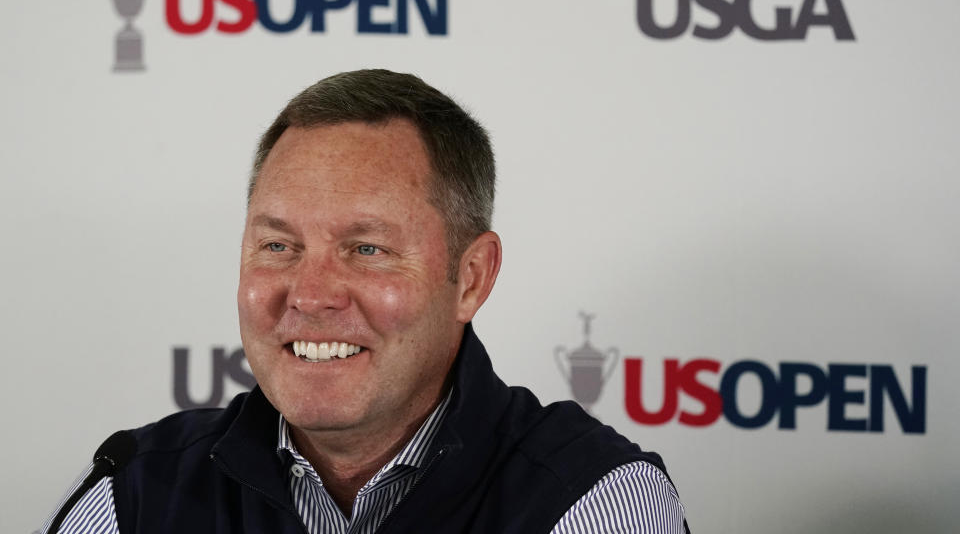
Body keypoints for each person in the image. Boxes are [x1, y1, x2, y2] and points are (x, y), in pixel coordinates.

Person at [42, 70, 689, 533]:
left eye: (366, 249)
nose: (312, 294)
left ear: (470, 278)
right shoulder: (128, 497)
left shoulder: (591, 503)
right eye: (278, 245)